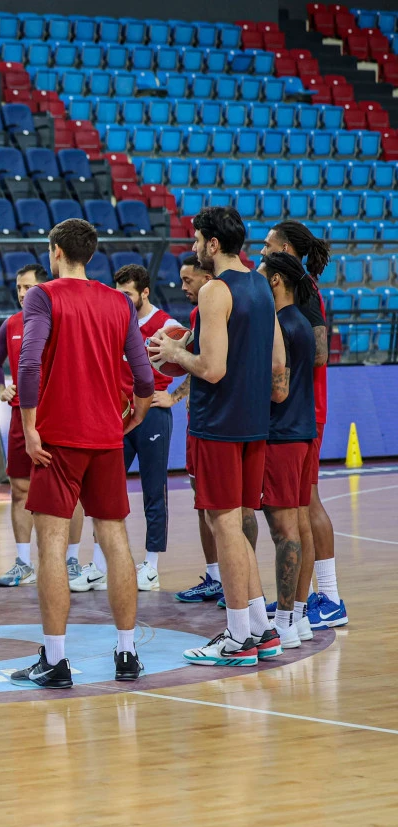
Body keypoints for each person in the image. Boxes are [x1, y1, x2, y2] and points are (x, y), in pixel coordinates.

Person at [9, 219, 154, 689]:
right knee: (115, 540)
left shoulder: (43, 296)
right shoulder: (119, 302)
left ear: (55, 251)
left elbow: (28, 362)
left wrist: (29, 427)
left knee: (52, 545)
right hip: (106, 436)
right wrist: (137, 412)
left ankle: (55, 660)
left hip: (58, 440)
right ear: (89, 255)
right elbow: (143, 373)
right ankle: (128, 653)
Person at [150, 206, 287, 667]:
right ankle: (261, 628)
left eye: (196, 240)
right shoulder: (261, 286)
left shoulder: (214, 290)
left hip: (220, 424)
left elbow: (211, 368)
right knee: (237, 527)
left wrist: (174, 351)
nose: (192, 248)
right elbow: (276, 365)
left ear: (212, 243)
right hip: (253, 423)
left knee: (224, 526)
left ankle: (237, 637)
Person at [261, 221, 344, 631]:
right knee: (299, 507)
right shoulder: (298, 291)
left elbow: (320, 353)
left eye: (268, 245)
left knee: (305, 505)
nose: (262, 251)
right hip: (302, 412)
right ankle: (299, 602)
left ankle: (327, 597)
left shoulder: (304, 291)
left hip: (304, 412)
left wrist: (280, 357)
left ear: (285, 250)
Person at [0, 264, 87, 589]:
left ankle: (72, 560)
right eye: (18, 287)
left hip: (58, 414)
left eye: (27, 287)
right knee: (19, 489)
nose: (21, 293)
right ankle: (23, 563)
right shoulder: (11, 324)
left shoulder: (62, 320)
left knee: (69, 492)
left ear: (44, 289)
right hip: (22, 416)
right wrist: (0, 388)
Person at [258, 251, 319, 650]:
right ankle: (297, 617)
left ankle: (283, 622)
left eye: (261, 272)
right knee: (296, 526)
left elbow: (277, 391)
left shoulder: (280, 324)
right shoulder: (301, 322)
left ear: (276, 280)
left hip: (280, 437)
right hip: (301, 434)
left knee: (283, 532)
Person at [113, 264, 184, 592]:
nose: (122, 300)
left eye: (128, 294)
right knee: (107, 489)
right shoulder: (115, 321)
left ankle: (152, 566)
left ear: (144, 292)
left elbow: (202, 360)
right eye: (118, 294)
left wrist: (175, 396)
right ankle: (102, 564)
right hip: (121, 415)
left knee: (154, 489)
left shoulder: (167, 326)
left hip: (153, 413)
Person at [172, 256, 224, 604]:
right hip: (200, 420)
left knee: (221, 506)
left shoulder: (211, 310)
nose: (182, 287)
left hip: (215, 422)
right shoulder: (195, 315)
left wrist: (174, 394)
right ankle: (216, 577)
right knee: (202, 500)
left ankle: (233, 585)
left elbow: (207, 366)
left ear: (207, 278)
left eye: (188, 280)